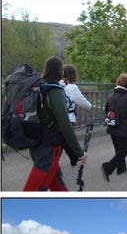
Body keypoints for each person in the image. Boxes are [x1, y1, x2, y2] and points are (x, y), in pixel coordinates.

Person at [23, 57, 86, 191]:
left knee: (57, 184)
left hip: (36, 142)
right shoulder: (54, 91)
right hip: (49, 146)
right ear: (60, 72)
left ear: (45, 70)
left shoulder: (38, 87)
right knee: (32, 191)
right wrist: (79, 152)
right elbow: (64, 124)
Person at [60, 64, 92, 166]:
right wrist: (90, 106)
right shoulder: (72, 87)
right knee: (66, 140)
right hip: (68, 118)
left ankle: (74, 158)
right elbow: (85, 104)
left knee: (65, 141)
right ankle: (51, 167)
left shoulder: (57, 84)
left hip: (56, 118)